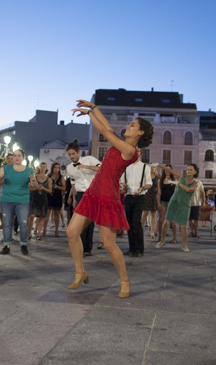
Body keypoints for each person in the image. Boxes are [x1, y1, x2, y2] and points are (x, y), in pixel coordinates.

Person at [67, 100, 153, 298]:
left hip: (108, 197)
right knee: (72, 232)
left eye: (132, 125)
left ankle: (125, 280)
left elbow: (105, 132)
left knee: (108, 244)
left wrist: (89, 114)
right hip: (93, 193)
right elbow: (107, 128)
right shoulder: (121, 143)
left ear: (140, 133)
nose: (128, 126)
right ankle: (80, 272)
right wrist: (94, 107)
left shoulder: (130, 151)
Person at [0, 149, 34, 255]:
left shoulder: (29, 170)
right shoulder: (5, 168)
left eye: (19, 155)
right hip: (7, 199)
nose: (16, 157)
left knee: (23, 223)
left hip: (22, 200)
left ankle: (23, 244)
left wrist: (33, 180)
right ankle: (6, 245)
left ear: (23, 158)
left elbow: (33, 186)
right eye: (15, 155)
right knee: (7, 223)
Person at [66, 139, 101, 256]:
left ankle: (87, 249)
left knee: (89, 222)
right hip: (80, 194)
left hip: (92, 193)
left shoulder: (89, 159)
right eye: (69, 154)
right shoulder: (69, 168)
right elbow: (74, 183)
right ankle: (80, 248)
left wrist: (86, 166)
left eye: (73, 154)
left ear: (78, 152)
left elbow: (102, 168)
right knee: (80, 222)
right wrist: (75, 198)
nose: (71, 156)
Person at [155, 164, 199, 252]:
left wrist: (177, 183)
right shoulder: (182, 176)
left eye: (190, 169)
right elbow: (170, 170)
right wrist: (158, 165)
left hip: (184, 205)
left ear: (195, 172)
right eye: (187, 169)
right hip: (174, 202)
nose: (188, 171)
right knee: (167, 222)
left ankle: (184, 245)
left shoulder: (195, 183)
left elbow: (188, 189)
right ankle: (162, 241)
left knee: (183, 226)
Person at [120, 149, 152, 257]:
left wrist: (142, 188)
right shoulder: (125, 167)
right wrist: (122, 187)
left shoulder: (145, 167)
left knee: (136, 222)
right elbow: (122, 183)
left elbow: (149, 183)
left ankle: (140, 249)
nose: (135, 153)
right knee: (129, 224)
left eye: (137, 151)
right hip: (128, 197)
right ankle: (131, 248)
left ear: (141, 153)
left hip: (140, 197)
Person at [28, 162, 52, 241]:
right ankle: (29, 233)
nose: (42, 168)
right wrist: (36, 188)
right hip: (35, 198)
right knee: (31, 216)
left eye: (44, 167)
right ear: (39, 168)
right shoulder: (34, 177)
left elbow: (50, 191)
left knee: (42, 217)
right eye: (41, 167)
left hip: (43, 199)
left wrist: (43, 189)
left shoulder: (48, 179)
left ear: (46, 168)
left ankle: (39, 233)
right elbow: (30, 188)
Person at [44, 162, 66, 237]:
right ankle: (44, 229)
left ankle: (56, 230)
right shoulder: (48, 176)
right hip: (49, 195)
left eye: (58, 168)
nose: (56, 169)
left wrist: (57, 187)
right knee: (47, 213)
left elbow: (64, 188)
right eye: (55, 167)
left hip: (57, 196)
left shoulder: (61, 177)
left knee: (56, 213)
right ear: (52, 168)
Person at [157, 165, 177, 243]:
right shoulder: (160, 180)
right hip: (163, 201)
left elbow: (176, 192)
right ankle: (160, 237)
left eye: (169, 169)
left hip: (172, 202)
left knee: (173, 220)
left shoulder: (174, 180)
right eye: (166, 169)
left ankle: (174, 238)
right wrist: (158, 202)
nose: (167, 171)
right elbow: (159, 192)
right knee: (161, 219)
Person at [142, 167, 159, 239]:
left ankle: (152, 231)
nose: (152, 169)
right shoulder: (146, 176)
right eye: (151, 167)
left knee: (153, 213)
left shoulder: (158, 177)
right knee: (145, 212)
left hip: (154, 196)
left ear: (155, 169)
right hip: (146, 195)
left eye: (154, 167)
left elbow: (159, 187)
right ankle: (140, 229)